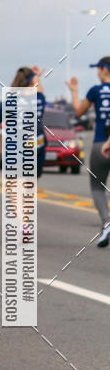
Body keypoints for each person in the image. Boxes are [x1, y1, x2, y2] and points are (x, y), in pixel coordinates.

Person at [67, 58, 110, 247]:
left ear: (104, 69)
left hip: (101, 143)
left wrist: (74, 92)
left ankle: (106, 222)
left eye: (98, 69)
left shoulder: (95, 90)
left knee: (97, 187)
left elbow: (78, 111)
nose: (97, 73)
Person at [0, 65, 46, 176]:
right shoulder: (39, 98)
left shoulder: (11, 100)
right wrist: (36, 76)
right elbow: (39, 88)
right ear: (32, 82)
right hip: (37, 147)